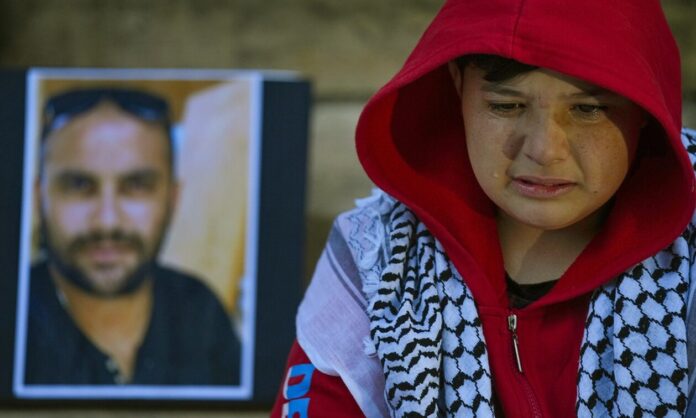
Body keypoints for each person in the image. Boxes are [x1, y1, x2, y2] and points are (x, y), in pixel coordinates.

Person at [272, 0, 696, 416]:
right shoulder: (377, 254)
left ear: (646, 106)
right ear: (458, 84)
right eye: (506, 106)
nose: (544, 149)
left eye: (588, 109)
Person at [26, 88, 241, 386]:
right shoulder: (15, 315)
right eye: (79, 185)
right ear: (39, 197)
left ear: (173, 198)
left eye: (137, 186)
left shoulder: (200, 310)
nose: (107, 221)